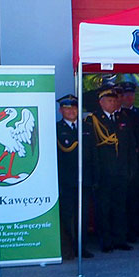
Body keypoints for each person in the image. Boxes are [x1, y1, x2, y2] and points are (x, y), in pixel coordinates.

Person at [82, 86, 135, 253]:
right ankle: (106, 241)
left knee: (120, 206)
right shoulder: (93, 120)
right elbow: (91, 150)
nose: (113, 103)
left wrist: (130, 168)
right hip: (103, 173)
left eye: (114, 100)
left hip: (120, 171)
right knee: (103, 208)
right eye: (109, 100)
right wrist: (94, 174)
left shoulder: (122, 118)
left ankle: (120, 239)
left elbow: (130, 146)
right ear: (101, 102)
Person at [55, 94, 92, 260]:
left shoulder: (87, 128)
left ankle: (81, 247)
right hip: (66, 181)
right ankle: (68, 249)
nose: (71, 111)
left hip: (84, 179)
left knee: (82, 215)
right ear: (61, 110)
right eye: (67, 108)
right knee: (67, 215)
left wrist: (94, 176)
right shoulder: (56, 129)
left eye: (74, 107)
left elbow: (93, 154)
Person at [117, 82, 139, 242]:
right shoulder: (116, 114)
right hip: (122, 162)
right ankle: (126, 230)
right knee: (125, 197)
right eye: (125, 95)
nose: (129, 98)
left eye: (131, 95)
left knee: (138, 196)